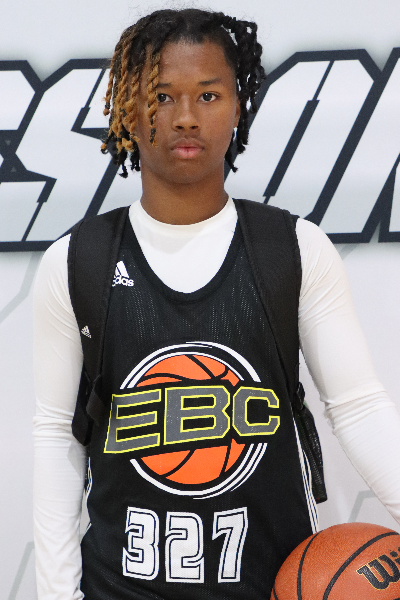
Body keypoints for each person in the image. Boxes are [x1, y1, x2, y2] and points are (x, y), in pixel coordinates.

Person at [33, 8, 400, 600]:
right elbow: (57, 437)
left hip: (270, 583)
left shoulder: (293, 249)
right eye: (161, 96)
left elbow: (358, 409)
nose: (185, 116)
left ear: (237, 108)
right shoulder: (78, 260)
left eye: (208, 95)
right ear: (128, 110)